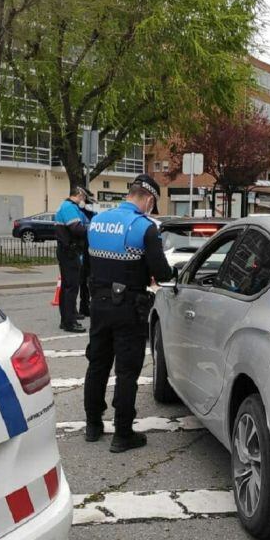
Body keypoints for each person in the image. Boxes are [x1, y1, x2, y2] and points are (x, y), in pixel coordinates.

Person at [83, 174, 173, 452]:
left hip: (99, 303)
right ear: (148, 199)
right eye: (152, 204)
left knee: (97, 364)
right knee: (126, 371)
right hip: (129, 308)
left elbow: (87, 264)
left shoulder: (96, 222)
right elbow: (161, 272)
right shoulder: (144, 227)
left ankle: (93, 425)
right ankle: (123, 434)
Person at [54, 187, 91, 332]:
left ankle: (66, 320)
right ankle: (69, 322)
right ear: (79, 195)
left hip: (66, 250)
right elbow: (76, 228)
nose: (84, 201)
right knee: (71, 288)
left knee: (66, 287)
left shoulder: (64, 206)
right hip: (70, 251)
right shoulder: (69, 207)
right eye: (84, 198)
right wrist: (91, 231)